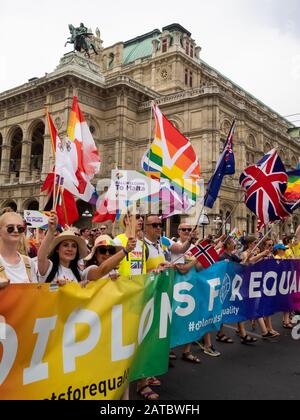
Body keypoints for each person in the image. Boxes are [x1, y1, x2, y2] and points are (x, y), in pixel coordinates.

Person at [0, 212, 38, 284]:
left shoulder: (29, 262)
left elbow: (35, 293)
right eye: (10, 228)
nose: (16, 230)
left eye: (20, 228)